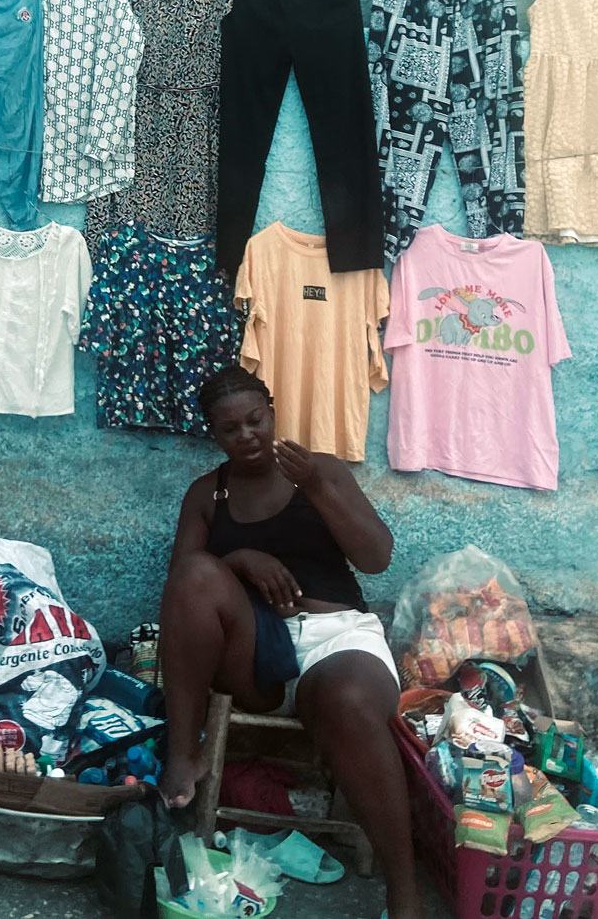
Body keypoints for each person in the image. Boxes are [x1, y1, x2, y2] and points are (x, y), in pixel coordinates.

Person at [159, 364, 421, 919]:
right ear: (215, 434)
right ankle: (182, 754)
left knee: (347, 700)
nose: (247, 435)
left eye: (255, 420)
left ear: (272, 412)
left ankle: (405, 895)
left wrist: (320, 488)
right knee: (195, 575)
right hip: (257, 653)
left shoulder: (318, 471)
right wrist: (239, 559)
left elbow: (376, 558)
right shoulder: (208, 494)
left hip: (338, 639)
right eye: (231, 429)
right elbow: (184, 585)